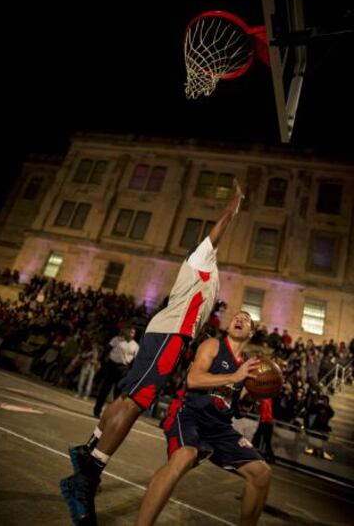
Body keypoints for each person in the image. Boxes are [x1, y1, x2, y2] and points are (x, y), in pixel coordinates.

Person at [60, 180, 245, 525]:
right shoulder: (202, 256)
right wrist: (233, 205)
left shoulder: (206, 277)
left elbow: (196, 313)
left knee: (129, 396)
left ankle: (90, 450)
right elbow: (217, 229)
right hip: (169, 335)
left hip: (170, 334)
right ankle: (86, 477)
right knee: (136, 401)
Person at [135, 311, 271, 526]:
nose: (239, 319)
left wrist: (252, 395)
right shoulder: (213, 345)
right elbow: (194, 379)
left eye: (245, 319)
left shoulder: (247, 364)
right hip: (189, 413)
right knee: (185, 456)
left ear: (251, 332)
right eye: (236, 316)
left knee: (262, 473)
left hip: (219, 426)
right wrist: (235, 377)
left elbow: (236, 408)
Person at [93, 327, 138, 417]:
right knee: (104, 390)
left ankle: (114, 414)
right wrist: (99, 361)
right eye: (130, 331)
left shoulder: (136, 346)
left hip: (123, 369)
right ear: (126, 331)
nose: (131, 333)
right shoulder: (117, 339)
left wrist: (131, 372)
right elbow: (106, 350)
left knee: (118, 394)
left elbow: (135, 361)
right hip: (111, 366)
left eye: (133, 332)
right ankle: (97, 411)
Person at [252, 398, 275, 464]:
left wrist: (262, 421)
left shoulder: (264, 400)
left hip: (265, 422)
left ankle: (271, 457)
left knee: (259, 438)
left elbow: (264, 412)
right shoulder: (268, 399)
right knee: (265, 441)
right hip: (268, 422)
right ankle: (271, 457)